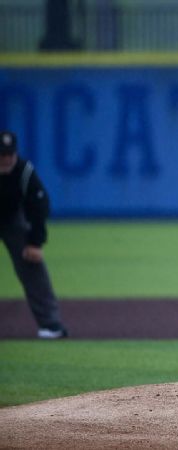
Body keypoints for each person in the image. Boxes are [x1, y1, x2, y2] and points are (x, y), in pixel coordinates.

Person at [0, 131, 68, 339]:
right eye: (2, 154)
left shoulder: (23, 171)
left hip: (11, 218)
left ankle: (50, 324)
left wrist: (35, 242)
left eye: (10, 154)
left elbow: (39, 204)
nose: (7, 159)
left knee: (32, 263)